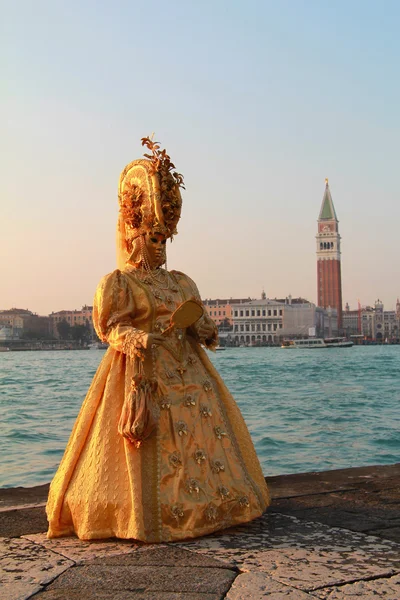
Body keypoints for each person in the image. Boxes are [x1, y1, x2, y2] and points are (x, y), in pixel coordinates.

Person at [46, 137, 270, 542]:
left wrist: (200, 327)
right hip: (142, 375)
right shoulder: (120, 283)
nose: (161, 246)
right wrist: (137, 337)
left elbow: (202, 327)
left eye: (165, 239)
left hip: (189, 375)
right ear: (135, 236)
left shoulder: (181, 282)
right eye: (154, 237)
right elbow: (111, 327)